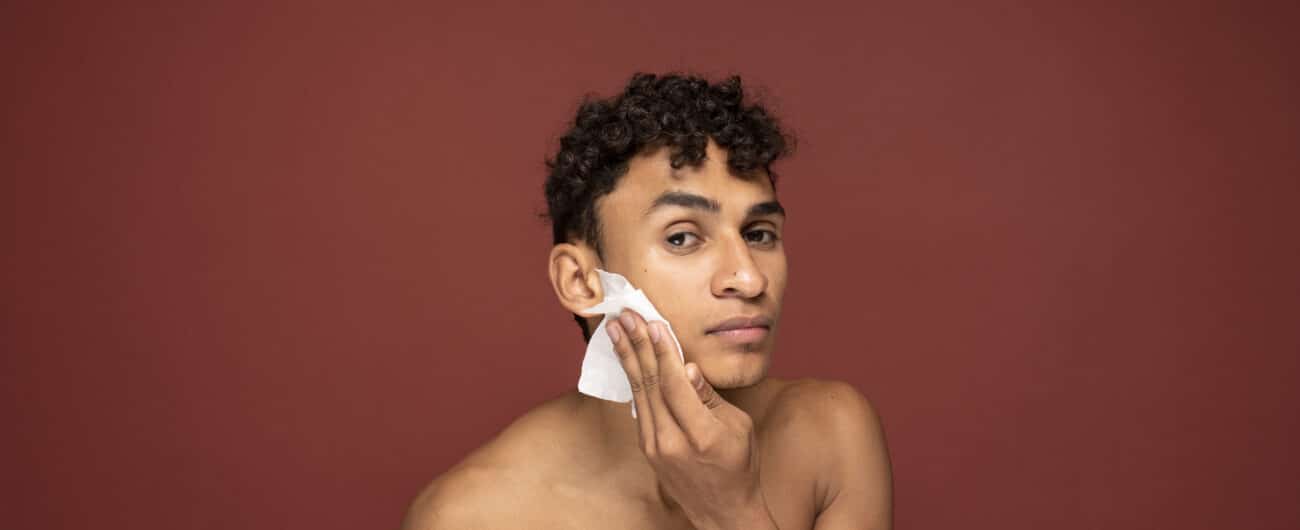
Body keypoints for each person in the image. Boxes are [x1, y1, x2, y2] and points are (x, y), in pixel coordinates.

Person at [402, 72, 893, 530]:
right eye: (682, 238)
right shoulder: (474, 516)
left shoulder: (828, 436)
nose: (748, 278)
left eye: (759, 233)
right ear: (581, 282)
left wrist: (734, 513)